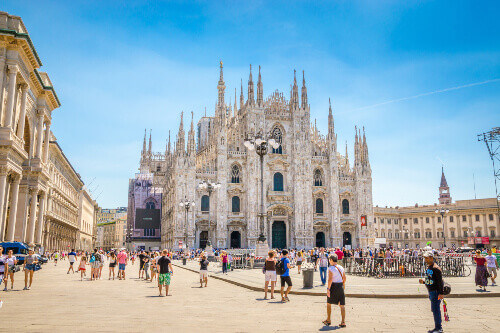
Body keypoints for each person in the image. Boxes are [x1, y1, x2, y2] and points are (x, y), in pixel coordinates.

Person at [419, 251, 444, 333]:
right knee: (434, 310)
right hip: (431, 291)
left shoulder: (436, 268)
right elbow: (430, 280)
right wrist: (423, 282)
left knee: (436, 310)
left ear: (431, 258)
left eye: (427, 258)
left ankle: (438, 328)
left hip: (435, 292)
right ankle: (437, 327)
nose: (425, 260)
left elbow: (440, 282)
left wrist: (441, 293)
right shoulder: (429, 267)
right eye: (425, 258)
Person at [323, 254, 346, 327]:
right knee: (342, 305)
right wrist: (342, 285)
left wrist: (328, 289)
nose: (329, 261)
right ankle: (343, 322)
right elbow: (344, 278)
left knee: (329, 303)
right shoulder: (341, 267)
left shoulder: (331, 268)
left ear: (332, 260)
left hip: (333, 286)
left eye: (329, 260)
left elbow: (330, 279)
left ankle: (328, 320)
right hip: (340, 286)